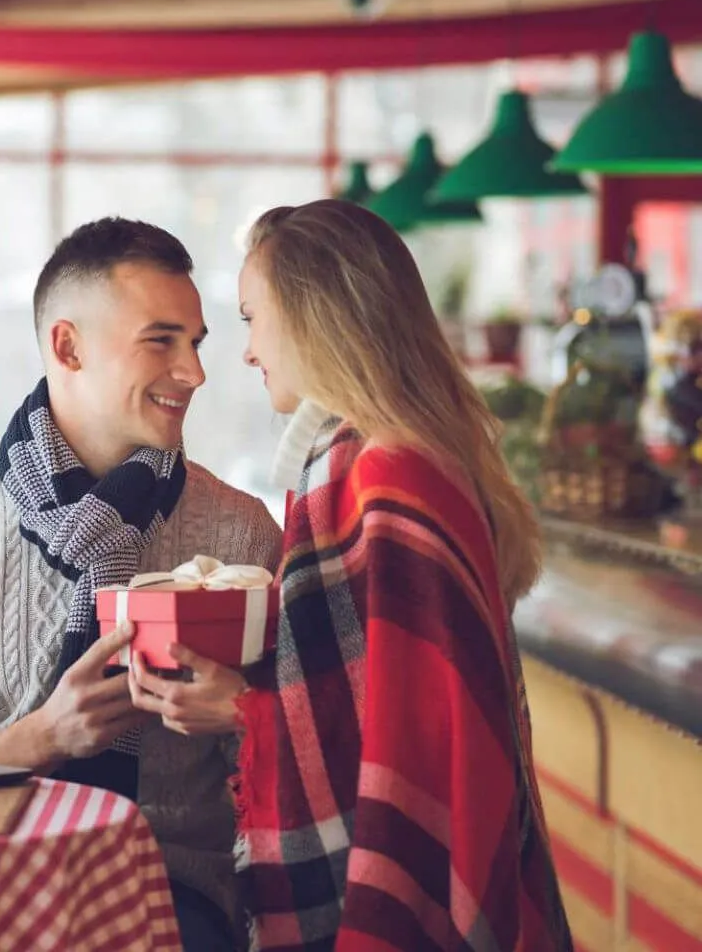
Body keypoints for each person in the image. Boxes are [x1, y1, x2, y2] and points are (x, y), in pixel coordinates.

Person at [128, 199, 573, 950]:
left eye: (249, 318)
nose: (244, 352)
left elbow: (420, 743)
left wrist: (241, 710)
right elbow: (381, 697)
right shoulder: (374, 457)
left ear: (312, 316)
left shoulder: (378, 470)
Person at [0, 217, 281, 949]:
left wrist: (242, 715)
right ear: (68, 347)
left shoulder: (241, 537)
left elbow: (289, 784)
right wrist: (40, 738)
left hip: (172, 894)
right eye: (162, 340)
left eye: (197, 342)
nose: (195, 372)